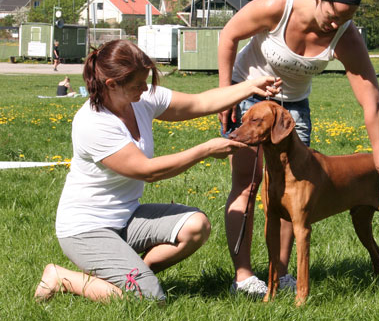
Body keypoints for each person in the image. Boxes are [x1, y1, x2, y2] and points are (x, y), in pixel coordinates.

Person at [35, 39, 281, 303]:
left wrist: (249, 86)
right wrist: (205, 150)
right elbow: (147, 171)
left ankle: (133, 276)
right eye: (138, 84)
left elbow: (200, 103)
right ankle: (61, 277)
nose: (146, 88)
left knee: (196, 226)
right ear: (111, 85)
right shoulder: (93, 123)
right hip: (86, 229)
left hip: (127, 218)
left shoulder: (140, 99)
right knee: (148, 299)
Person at [218, 0, 379, 296]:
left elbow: (371, 101)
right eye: (333, 15)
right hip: (247, 98)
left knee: (292, 195)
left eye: (345, 19)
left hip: (294, 112)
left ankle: (283, 275)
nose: (336, 24)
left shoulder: (345, 34)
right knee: (247, 186)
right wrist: (224, 94)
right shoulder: (279, 6)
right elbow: (229, 34)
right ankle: (243, 277)